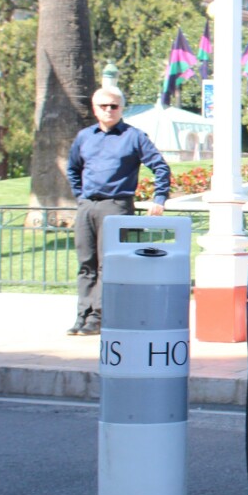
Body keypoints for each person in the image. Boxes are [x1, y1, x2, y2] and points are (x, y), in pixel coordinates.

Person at [66, 87, 171, 336]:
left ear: (122, 108)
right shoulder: (84, 137)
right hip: (88, 206)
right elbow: (73, 169)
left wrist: (159, 198)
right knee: (85, 264)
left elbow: (160, 167)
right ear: (95, 108)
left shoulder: (134, 136)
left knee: (108, 264)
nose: (109, 110)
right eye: (103, 106)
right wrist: (81, 197)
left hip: (117, 206)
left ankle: (99, 317)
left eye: (114, 106)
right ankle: (83, 314)